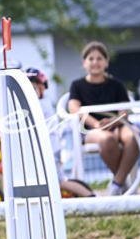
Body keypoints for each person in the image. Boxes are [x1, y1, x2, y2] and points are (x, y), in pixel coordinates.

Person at [67, 42, 138, 196]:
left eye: (99, 58)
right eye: (91, 59)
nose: (95, 62)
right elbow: (74, 109)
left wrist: (112, 122)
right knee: (107, 139)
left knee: (135, 135)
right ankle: (123, 185)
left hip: (118, 125)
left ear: (106, 62)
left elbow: (124, 113)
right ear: (84, 63)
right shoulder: (77, 85)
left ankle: (117, 183)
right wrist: (96, 124)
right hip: (90, 129)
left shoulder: (117, 84)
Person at [26, 67, 93, 197]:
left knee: (58, 181)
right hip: (46, 148)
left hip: (49, 149)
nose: (29, 93)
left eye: (33, 89)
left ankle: (91, 197)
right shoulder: (40, 104)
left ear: (41, 89)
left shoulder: (40, 105)